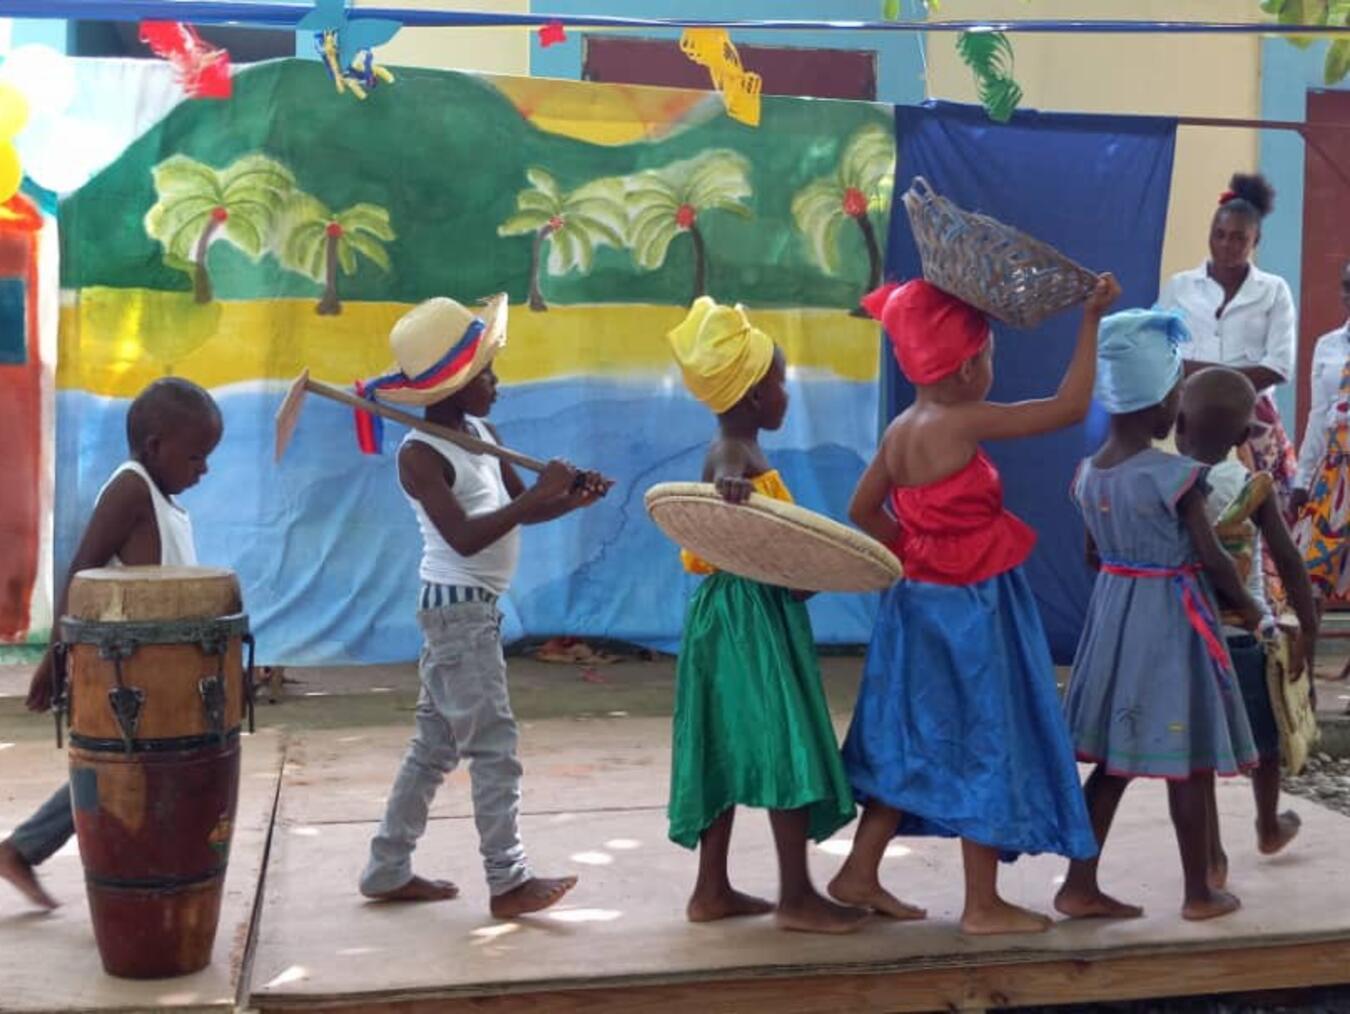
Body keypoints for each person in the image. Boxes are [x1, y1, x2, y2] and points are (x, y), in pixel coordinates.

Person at [832, 276, 1116, 936]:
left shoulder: (903, 428)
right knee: (984, 736)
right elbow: (1069, 408)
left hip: (916, 606)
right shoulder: (963, 420)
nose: (992, 367)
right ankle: (983, 904)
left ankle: (859, 871)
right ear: (966, 366)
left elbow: (861, 509)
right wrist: (1091, 319)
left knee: (916, 737)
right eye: (989, 355)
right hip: (973, 611)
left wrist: (918, 550)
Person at [357, 295, 606, 918]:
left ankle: (387, 868)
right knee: (492, 745)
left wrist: (570, 499)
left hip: (471, 612)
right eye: (486, 374)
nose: (496, 383)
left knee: (433, 748)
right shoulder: (419, 454)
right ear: (457, 383)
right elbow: (465, 536)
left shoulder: (482, 434)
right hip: (457, 612)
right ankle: (508, 878)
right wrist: (539, 497)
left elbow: (523, 506)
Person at [664, 297, 864, 935]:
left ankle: (712, 890)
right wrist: (729, 486)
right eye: (780, 381)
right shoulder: (734, 454)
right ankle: (797, 896)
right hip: (748, 619)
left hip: (732, 614)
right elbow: (724, 474)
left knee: (724, 744)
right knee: (787, 743)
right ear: (753, 394)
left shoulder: (744, 444)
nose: (786, 392)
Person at [1058, 309, 1263, 923]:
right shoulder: (1178, 477)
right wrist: (1252, 610)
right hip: (1172, 629)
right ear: (1157, 405)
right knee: (1190, 762)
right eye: (1175, 389)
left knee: (1114, 767)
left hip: (1116, 626)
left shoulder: (1088, 475)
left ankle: (1078, 884)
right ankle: (1199, 893)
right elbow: (1213, 561)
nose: (1179, 401)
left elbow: (1094, 554)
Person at [0, 378, 222, 910]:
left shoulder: (164, 500)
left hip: (163, 675)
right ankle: (31, 852)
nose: (204, 470)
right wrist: (55, 659)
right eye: (195, 456)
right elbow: (82, 574)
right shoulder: (131, 489)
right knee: (113, 772)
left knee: (125, 773)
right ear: (154, 447)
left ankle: (25, 850)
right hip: (124, 674)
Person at [1175, 366, 1317, 865]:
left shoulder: (1169, 483)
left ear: (1178, 427)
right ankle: (1267, 824)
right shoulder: (1254, 487)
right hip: (1245, 636)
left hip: (1188, 635)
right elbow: (1292, 564)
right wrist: (1309, 634)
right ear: (1242, 437)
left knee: (1201, 755)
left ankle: (1211, 858)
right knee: (1265, 739)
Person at [1158, 172, 1299, 511]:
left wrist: (1203, 376)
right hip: (1194, 417)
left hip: (1256, 419)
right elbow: (1162, 356)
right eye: (1219, 235)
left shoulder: (1274, 290)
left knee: (1263, 508)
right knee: (1200, 504)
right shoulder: (1180, 287)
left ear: (1256, 240)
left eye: (1238, 237)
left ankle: (1260, 566)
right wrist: (1228, 377)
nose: (1226, 245)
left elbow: (1279, 367)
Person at [1293, 261, 1350, 679]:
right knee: (1310, 575)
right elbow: (1317, 415)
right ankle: (1302, 681)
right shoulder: (1329, 346)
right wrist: (1301, 480)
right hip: (1333, 476)